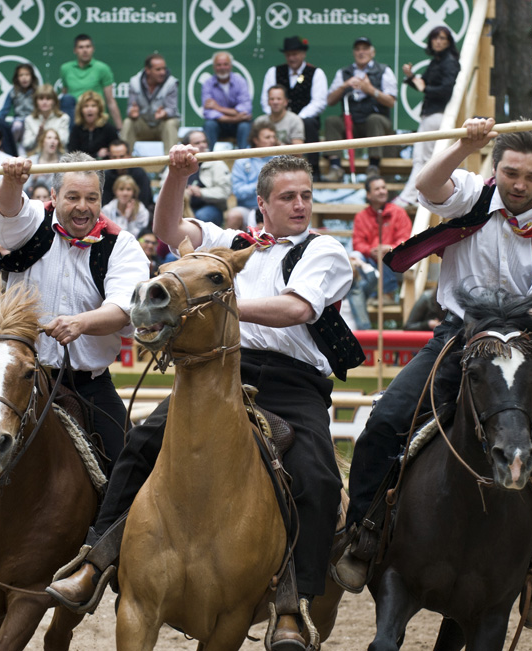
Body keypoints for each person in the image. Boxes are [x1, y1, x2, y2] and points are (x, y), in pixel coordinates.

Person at [47, 151, 358, 651]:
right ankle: (95, 558)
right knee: (143, 441)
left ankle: (292, 605)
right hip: (216, 372)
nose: (300, 205)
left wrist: (216, 301)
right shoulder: (230, 243)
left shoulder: (324, 250)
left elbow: (297, 307)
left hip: (292, 382)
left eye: (306, 196)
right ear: (262, 203)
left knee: (318, 476)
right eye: (288, 197)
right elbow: (168, 225)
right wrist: (177, 174)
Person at [334, 118, 532, 631]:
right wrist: (462, 146)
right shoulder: (472, 192)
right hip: (456, 338)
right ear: (496, 168)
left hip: (521, 346)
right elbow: (428, 187)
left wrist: (503, 335)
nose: (519, 185)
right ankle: (363, 534)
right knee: (384, 423)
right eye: (511, 172)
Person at [0, 151, 149, 486]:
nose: (82, 206)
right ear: (54, 196)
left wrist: (80, 323)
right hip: (14, 375)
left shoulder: (120, 245)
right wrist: (12, 182)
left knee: (128, 466)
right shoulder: (33, 220)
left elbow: (125, 310)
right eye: (72, 197)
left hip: (84, 383)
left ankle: (110, 537)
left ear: (101, 199)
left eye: (92, 198)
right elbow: (5, 212)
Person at [395, 26, 461, 207]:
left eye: (442, 38)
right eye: (435, 38)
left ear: (449, 42)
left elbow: (445, 90)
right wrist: (410, 77)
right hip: (430, 114)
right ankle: (415, 197)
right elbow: (422, 85)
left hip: (438, 115)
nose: (438, 41)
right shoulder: (437, 61)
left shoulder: (449, 62)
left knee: (423, 160)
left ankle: (409, 197)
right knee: (421, 158)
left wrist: (427, 89)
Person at [323, 37, 398, 181]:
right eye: (357, 49)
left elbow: (390, 102)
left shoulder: (383, 70)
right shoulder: (344, 72)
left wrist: (370, 90)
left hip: (377, 123)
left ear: (372, 52)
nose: (361, 52)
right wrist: (344, 85)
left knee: (374, 120)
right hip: (352, 122)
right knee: (332, 121)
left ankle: (373, 166)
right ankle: (335, 166)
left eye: (365, 49)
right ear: (353, 52)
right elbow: (330, 100)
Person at [260, 36, 327, 176]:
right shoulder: (274, 72)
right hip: (276, 118)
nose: (291, 58)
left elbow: (319, 102)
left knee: (309, 123)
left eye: (295, 54)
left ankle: (313, 169)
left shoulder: (316, 73)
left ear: (303, 54)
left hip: (303, 118)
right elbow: (266, 100)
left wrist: (296, 118)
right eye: (289, 54)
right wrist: (276, 116)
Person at [351, 176, 412, 305]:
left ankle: (388, 295)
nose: (382, 191)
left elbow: (405, 238)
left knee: (386, 253)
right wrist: (370, 251)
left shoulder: (398, 212)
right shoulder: (361, 217)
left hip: (394, 260)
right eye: (377, 189)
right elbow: (358, 243)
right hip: (370, 260)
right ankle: (369, 294)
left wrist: (391, 247)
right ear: (368, 194)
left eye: (384, 188)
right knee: (355, 257)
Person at [59, 34, 123, 129]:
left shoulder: (102, 68)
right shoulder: (65, 68)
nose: (85, 50)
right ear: (75, 50)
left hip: (96, 116)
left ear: (93, 49)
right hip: (74, 118)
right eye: (81, 47)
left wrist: (120, 129)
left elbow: (110, 101)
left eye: (88, 47)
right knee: (67, 99)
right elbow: (64, 96)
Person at [121, 54, 180, 156]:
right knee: (128, 122)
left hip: (162, 124)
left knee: (171, 123)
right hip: (143, 124)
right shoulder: (134, 82)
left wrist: (164, 113)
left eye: (164, 69)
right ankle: (122, 162)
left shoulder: (171, 83)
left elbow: (172, 109)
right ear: (148, 70)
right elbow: (130, 107)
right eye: (158, 69)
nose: (162, 72)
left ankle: (171, 164)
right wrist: (132, 112)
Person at [201, 52, 252, 151]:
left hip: (238, 125)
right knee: (209, 125)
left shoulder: (240, 81)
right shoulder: (207, 84)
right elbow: (208, 113)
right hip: (219, 124)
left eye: (225, 64)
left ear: (231, 66)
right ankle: (205, 161)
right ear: (214, 67)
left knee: (245, 126)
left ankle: (244, 161)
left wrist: (218, 108)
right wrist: (235, 118)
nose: (222, 67)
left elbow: (246, 109)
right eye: (219, 65)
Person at [180, 130, 231, 226]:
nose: (202, 145)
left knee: (201, 217)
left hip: (210, 207)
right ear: (187, 146)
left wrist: (201, 192)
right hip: (182, 207)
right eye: (197, 143)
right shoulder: (178, 163)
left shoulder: (217, 163)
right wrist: (184, 193)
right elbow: (165, 188)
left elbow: (225, 191)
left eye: (204, 142)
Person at [232, 122, 278, 214]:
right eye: (267, 137)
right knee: (234, 215)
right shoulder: (242, 160)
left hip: (275, 209)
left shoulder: (280, 159)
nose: (272, 140)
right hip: (248, 209)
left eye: (273, 137)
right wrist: (258, 186)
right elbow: (238, 192)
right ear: (256, 140)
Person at [101, 139, 153, 212]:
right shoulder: (106, 176)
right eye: (114, 157)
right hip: (112, 216)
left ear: (129, 155)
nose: (118, 160)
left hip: (138, 214)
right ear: (110, 157)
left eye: (121, 156)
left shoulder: (139, 173)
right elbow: (104, 204)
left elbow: (145, 201)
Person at [68, 91, 118, 160]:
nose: (90, 109)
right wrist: (96, 155)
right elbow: (72, 154)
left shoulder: (108, 128)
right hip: (82, 168)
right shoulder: (76, 129)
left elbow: (116, 152)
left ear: (99, 109)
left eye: (93, 106)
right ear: (81, 110)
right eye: (86, 106)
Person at [21, 84, 70, 152]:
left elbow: (64, 142)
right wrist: (38, 136)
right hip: (37, 157)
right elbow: (26, 144)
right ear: (36, 102)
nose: (44, 102)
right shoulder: (29, 119)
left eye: (48, 99)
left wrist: (49, 136)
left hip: (58, 157)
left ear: (54, 101)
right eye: (41, 99)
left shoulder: (63, 118)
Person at [0, 63, 37, 146]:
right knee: (17, 126)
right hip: (19, 121)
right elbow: (4, 110)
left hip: (32, 122)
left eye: (27, 74)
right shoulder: (13, 92)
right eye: (21, 75)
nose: (24, 77)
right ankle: (11, 146)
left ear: (32, 77)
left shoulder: (37, 92)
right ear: (17, 78)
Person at [24, 127, 64, 193]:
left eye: (56, 138)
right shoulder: (31, 161)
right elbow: (24, 190)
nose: (53, 141)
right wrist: (33, 179)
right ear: (42, 142)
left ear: (58, 143)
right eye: (49, 138)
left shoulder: (64, 162)